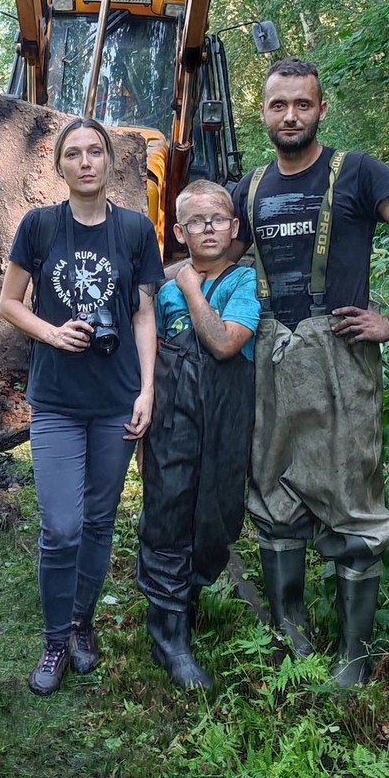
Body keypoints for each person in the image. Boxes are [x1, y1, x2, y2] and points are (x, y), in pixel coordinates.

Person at [232, 59, 389, 685]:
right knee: (272, 489)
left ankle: (353, 661)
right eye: (279, 106)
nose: (291, 117)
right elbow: (202, 255)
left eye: (302, 104)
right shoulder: (249, 189)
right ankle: (290, 636)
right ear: (264, 113)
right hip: (271, 355)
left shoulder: (358, 172)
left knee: (354, 493)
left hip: (341, 352)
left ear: (321, 109)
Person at [0, 116, 162, 695]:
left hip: (116, 399)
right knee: (62, 525)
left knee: (98, 521)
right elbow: (8, 302)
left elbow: (144, 315)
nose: (86, 161)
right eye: (75, 153)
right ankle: (51, 641)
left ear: (110, 163)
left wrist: (147, 389)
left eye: (96, 152)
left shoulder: (137, 232)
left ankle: (80, 625)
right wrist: (51, 333)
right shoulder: (39, 227)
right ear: (60, 165)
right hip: (59, 401)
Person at [137, 180, 259, 689]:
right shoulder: (160, 293)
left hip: (226, 420)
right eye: (195, 221)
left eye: (217, 219)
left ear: (233, 229)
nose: (208, 227)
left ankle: (186, 598)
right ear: (181, 232)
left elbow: (226, 344)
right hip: (172, 423)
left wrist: (190, 287)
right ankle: (169, 634)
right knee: (168, 514)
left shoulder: (242, 285)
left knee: (216, 516)